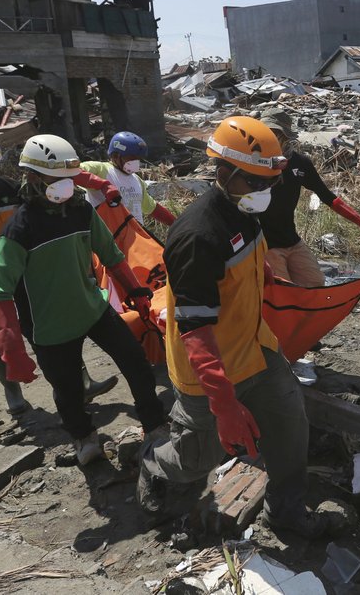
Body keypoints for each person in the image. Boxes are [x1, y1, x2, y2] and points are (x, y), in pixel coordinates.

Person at [137, 116, 330, 538]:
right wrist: (224, 407)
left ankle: (286, 512)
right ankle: (153, 463)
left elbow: (252, 263)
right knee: (197, 459)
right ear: (225, 174)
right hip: (208, 369)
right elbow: (196, 332)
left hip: (256, 349)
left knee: (289, 426)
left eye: (270, 183)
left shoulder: (246, 210)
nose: (267, 192)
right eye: (257, 183)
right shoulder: (197, 236)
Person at [0, 134, 168, 465]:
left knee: (137, 365)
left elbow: (111, 255)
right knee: (69, 392)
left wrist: (138, 294)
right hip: (50, 326)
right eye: (57, 179)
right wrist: (12, 349)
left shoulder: (80, 210)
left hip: (92, 307)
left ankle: (155, 424)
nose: (65, 186)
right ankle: (85, 438)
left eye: (69, 179)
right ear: (34, 177)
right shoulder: (19, 230)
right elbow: (0, 291)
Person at [0, 129, 117, 416]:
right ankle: (14, 396)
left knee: (53, 332)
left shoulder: (11, 191)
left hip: (30, 275)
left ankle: (77, 385)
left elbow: (52, 201)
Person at [257, 108, 360, 286]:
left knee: (315, 285)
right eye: (266, 133)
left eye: (275, 133)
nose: (270, 138)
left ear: (286, 136)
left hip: (291, 239)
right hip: (265, 244)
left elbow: (327, 196)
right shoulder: (252, 163)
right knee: (283, 291)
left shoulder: (299, 163)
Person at [75, 131, 176, 226]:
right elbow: (72, 172)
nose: (136, 162)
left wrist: (176, 224)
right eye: (131, 158)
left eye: (138, 158)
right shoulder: (100, 169)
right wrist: (102, 184)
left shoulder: (136, 180)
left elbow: (152, 208)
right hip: (110, 240)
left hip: (135, 239)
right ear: (115, 156)